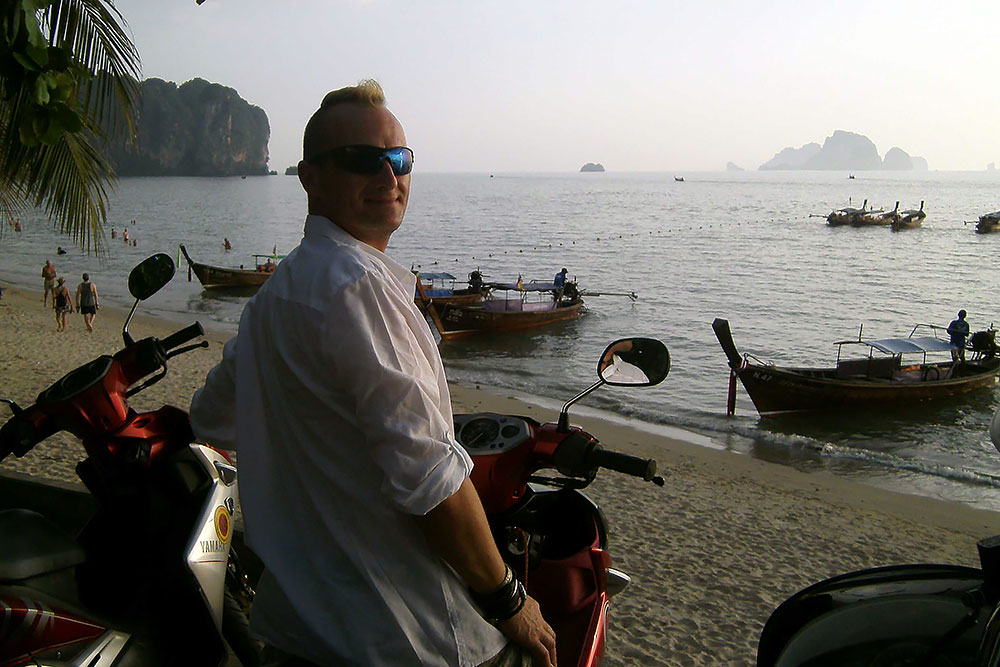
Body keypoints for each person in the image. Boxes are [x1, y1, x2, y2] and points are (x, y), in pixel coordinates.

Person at [190, 80, 556, 667]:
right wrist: (509, 600)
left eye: (398, 159)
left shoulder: (273, 299)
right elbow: (431, 481)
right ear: (309, 178)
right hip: (406, 635)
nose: (388, 176)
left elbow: (211, 418)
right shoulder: (358, 286)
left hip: (301, 631)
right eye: (361, 159)